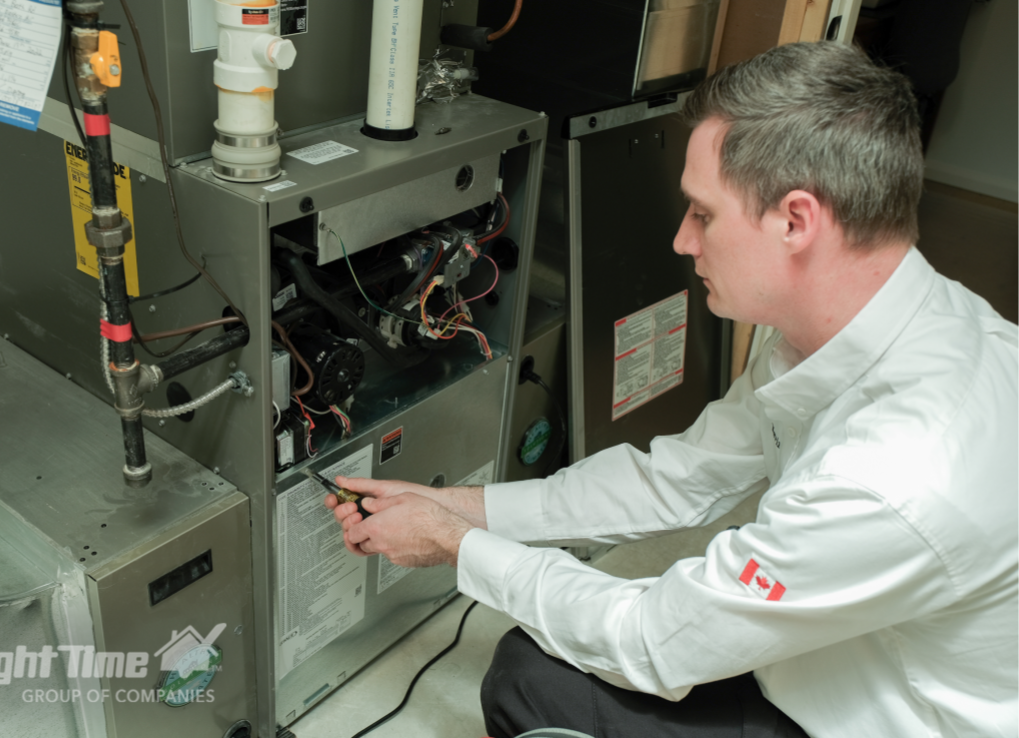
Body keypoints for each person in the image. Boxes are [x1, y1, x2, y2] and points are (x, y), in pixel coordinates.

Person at [326, 41, 1018, 738]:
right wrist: (458, 508)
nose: (683, 241)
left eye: (703, 214)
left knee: (535, 684)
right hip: (846, 641)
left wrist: (455, 546)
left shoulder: (895, 479)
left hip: (889, 717)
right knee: (553, 650)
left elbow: (650, 644)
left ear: (795, 220)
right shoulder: (882, 321)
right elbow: (675, 479)